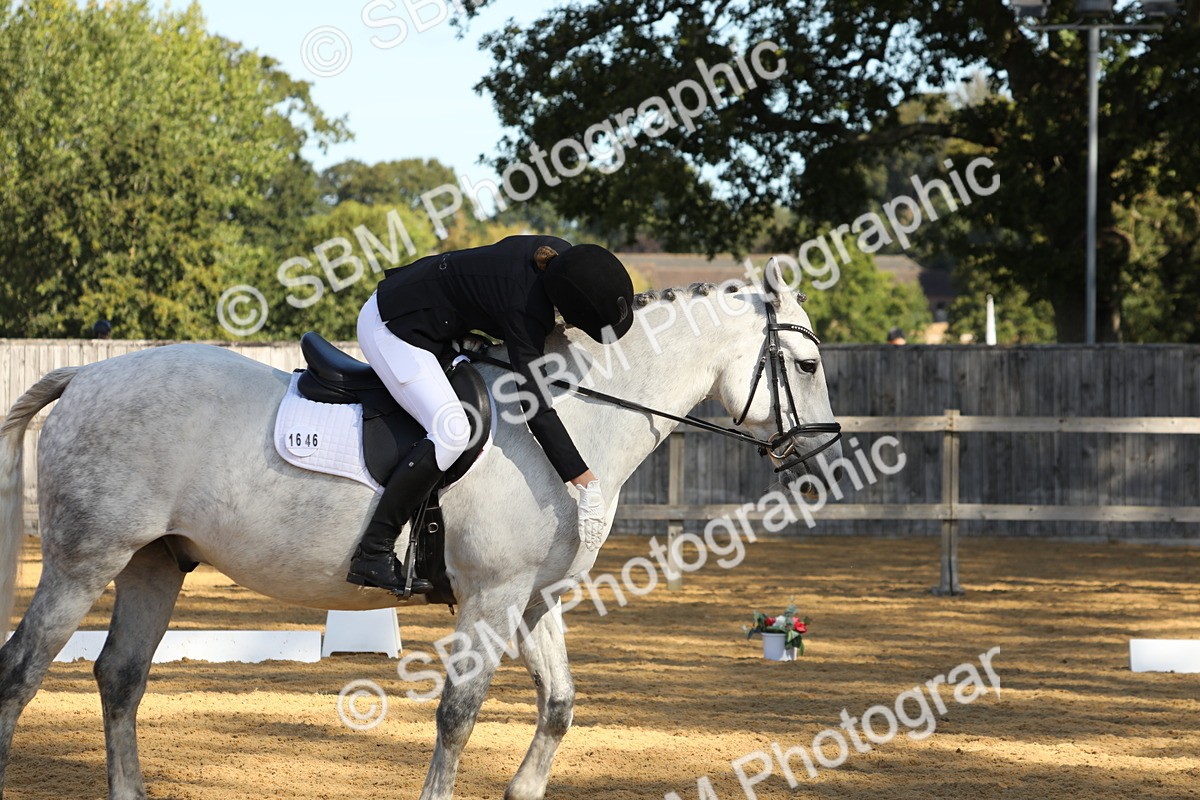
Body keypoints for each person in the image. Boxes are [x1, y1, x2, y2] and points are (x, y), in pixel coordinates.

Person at [348, 235, 635, 595]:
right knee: (452, 431)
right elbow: (536, 409)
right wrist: (585, 482)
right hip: (393, 327)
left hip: (433, 314)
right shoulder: (524, 307)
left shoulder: (561, 255)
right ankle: (373, 549)